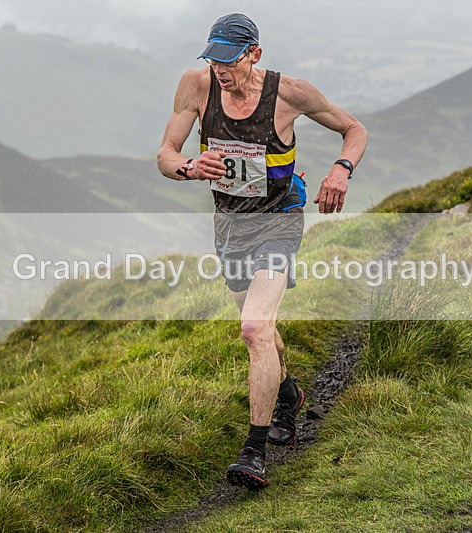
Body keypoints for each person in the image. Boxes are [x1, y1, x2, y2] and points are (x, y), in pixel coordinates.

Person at [157, 13, 367, 489]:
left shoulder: (290, 93)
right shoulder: (196, 86)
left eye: (228, 60)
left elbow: (354, 129)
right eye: (212, 59)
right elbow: (165, 155)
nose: (220, 70)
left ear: (254, 54)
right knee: (261, 331)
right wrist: (190, 166)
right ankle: (288, 397)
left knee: (253, 328)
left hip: (280, 220)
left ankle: (253, 452)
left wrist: (340, 170)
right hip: (230, 225)